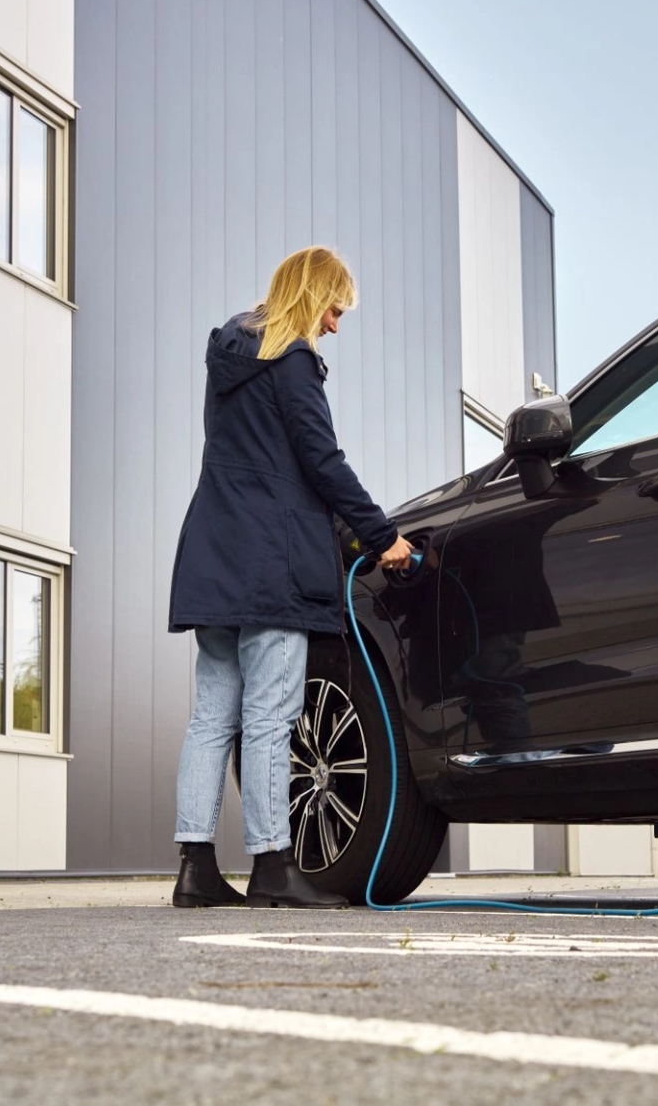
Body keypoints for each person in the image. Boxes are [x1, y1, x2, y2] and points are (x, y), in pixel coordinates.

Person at [167, 245, 415, 909]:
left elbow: (251, 457)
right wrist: (384, 534)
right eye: (335, 307)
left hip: (213, 552)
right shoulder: (293, 360)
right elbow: (321, 460)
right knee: (273, 715)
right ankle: (274, 869)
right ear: (313, 295)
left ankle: (194, 869)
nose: (336, 324)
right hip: (269, 558)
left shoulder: (228, 357)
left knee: (211, 717)